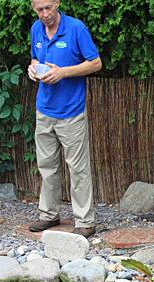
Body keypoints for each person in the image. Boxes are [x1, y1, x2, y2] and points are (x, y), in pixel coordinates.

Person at [27, 0, 102, 238]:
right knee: (47, 166)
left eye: (49, 7)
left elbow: (96, 63)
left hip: (71, 111)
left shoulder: (76, 28)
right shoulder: (35, 29)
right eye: (39, 9)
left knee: (78, 169)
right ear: (33, 7)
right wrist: (32, 68)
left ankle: (85, 222)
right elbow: (34, 59)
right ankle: (49, 215)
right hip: (44, 109)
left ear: (57, 3)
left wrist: (63, 72)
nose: (45, 14)